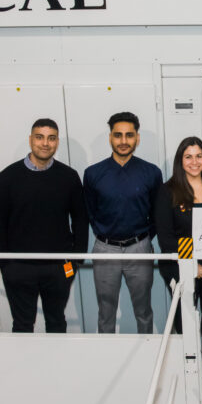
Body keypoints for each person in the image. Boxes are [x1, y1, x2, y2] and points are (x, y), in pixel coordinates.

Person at [0, 118, 88, 333]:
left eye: (51, 138)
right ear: (30, 140)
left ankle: (57, 366)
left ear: (57, 142)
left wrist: (76, 259)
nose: (45, 143)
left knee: (56, 322)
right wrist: (4, 263)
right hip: (18, 267)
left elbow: (80, 219)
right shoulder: (8, 177)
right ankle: (25, 367)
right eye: (40, 137)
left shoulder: (69, 177)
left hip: (58, 267)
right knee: (23, 324)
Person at [155, 137, 202, 390]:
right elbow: (166, 237)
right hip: (180, 265)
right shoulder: (167, 191)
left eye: (199, 156)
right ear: (181, 160)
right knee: (184, 315)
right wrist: (191, 265)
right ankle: (190, 361)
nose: (194, 162)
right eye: (188, 157)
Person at [83, 112, 163, 334]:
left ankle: (147, 356)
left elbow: (158, 213)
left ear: (137, 138)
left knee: (143, 310)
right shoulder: (93, 174)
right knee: (105, 311)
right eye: (118, 135)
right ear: (110, 138)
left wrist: (143, 239)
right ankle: (107, 358)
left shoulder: (151, 173)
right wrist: (105, 237)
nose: (123, 141)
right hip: (105, 248)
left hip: (139, 247)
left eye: (129, 135)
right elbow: (90, 211)